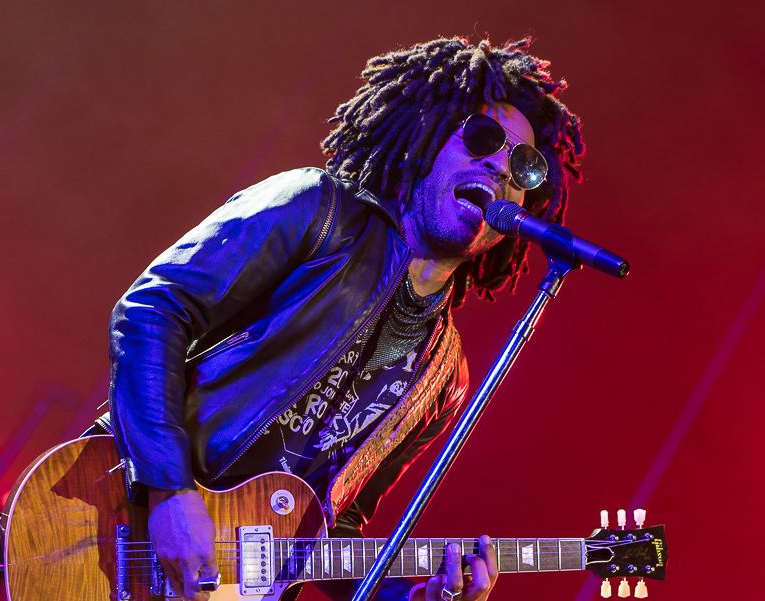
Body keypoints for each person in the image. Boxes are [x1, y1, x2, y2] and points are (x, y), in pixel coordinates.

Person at [103, 37, 584, 601]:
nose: (501, 167)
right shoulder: (319, 212)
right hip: (116, 520)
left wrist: (414, 598)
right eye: (481, 138)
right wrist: (168, 491)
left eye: (524, 166)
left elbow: (334, 529)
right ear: (425, 137)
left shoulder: (444, 380)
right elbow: (153, 310)